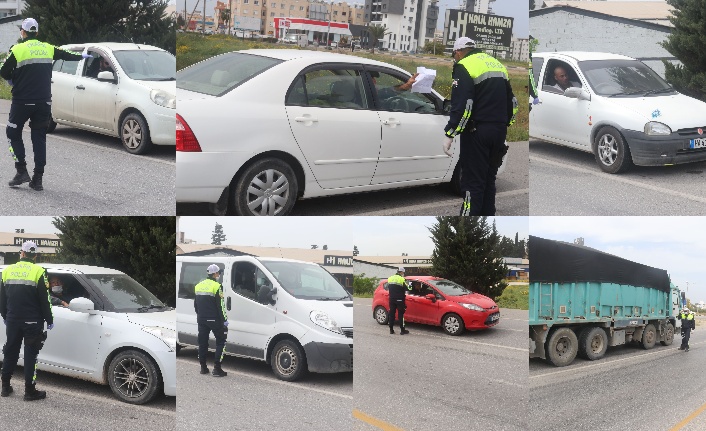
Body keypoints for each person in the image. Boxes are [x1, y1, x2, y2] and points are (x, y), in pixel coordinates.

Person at [0, 18, 88, 191]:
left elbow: (3, 71)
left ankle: (21, 171)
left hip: (22, 102)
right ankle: (38, 178)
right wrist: (84, 56)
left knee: (12, 132)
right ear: (37, 33)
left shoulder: (17, 49)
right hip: (44, 101)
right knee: (39, 137)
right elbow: (67, 55)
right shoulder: (48, 47)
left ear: (23, 32)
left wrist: (12, 79)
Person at [443, 37, 518, 216]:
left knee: (472, 183)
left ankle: (467, 230)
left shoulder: (464, 65)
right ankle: (486, 222)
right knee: (488, 181)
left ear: (459, 52)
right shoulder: (497, 64)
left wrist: (450, 132)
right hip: (499, 131)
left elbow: (463, 104)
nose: (455, 58)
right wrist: (504, 125)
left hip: (477, 132)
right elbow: (513, 103)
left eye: (454, 55)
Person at [0, 241, 53, 401]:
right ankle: (29, 392)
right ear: (35, 255)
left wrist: (6, 316)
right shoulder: (39, 271)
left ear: (21, 253)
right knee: (31, 356)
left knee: (10, 352)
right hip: (32, 322)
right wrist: (49, 319)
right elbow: (46, 299)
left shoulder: (7, 270)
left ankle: (5, 387)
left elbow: (2, 299)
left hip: (13, 320)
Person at [194, 264, 228, 377]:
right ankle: (217, 369)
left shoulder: (198, 286)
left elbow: (196, 305)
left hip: (201, 319)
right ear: (214, 274)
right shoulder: (217, 286)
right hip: (214, 320)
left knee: (202, 343)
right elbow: (221, 306)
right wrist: (224, 320)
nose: (219, 274)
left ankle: (203, 368)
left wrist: (200, 316)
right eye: (218, 273)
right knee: (221, 342)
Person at [387, 267, 412, 335]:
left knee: (392, 314)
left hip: (391, 299)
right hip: (400, 299)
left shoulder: (390, 278)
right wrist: (410, 283)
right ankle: (402, 330)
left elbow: (388, 287)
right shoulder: (402, 279)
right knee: (401, 314)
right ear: (402, 272)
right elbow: (409, 288)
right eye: (403, 273)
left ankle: (391, 330)